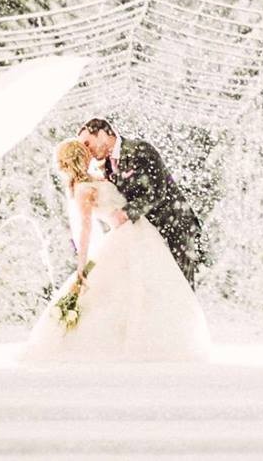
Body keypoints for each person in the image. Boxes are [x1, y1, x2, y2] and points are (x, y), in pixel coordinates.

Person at [21, 137, 211, 364]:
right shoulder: (101, 180)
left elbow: (85, 229)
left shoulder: (83, 189)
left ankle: (121, 341)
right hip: (142, 231)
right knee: (146, 285)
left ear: (65, 165)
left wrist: (81, 265)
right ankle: (157, 339)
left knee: (119, 289)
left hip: (124, 234)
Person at [77, 116, 206, 285]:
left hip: (175, 227)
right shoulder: (107, 167)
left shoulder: (140, 149)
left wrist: (126, 213)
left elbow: (157, 192)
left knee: (181, 289)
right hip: (149, 235)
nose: (88, 151)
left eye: (87, 144)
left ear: (102, 134)